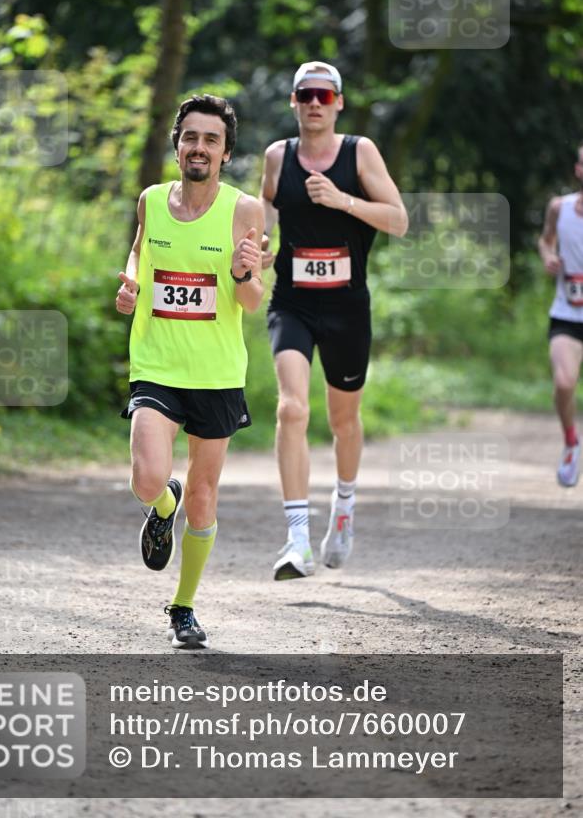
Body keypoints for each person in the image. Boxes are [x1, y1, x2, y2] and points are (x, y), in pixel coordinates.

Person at [116, 94, 264, 647]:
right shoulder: (150, 201)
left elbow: (251, 303)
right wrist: (131, 282)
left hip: (217, 372)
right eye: (191, 137)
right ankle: (162, 504)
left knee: (204, 494)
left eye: (211, 140)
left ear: (226, 153)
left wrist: (244, 274)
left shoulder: (243, 210)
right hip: (156, 362)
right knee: (147, 478)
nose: (199, 147)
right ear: (177, 143)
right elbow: (137, 254)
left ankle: (183, 608)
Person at [260, 61, 408, 580]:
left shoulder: (358, 152)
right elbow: (264, 219)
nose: (315, 104)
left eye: (325, 95)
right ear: (294, 101)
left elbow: (399, 219)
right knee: (291, 408)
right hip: (293, 303)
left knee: (344, 420)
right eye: (306, 95)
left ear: (339, 103)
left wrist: (343, 200)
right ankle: (297, 538)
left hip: (347, 306)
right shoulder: (277, 157)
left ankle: (343, 507)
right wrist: (254, 248)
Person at [538, 143, 583, 487]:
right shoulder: (560, 207)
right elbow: (546, 240)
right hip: (568, 312)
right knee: (564, 382)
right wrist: (548, 256)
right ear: (578, 170)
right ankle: (571, 441)